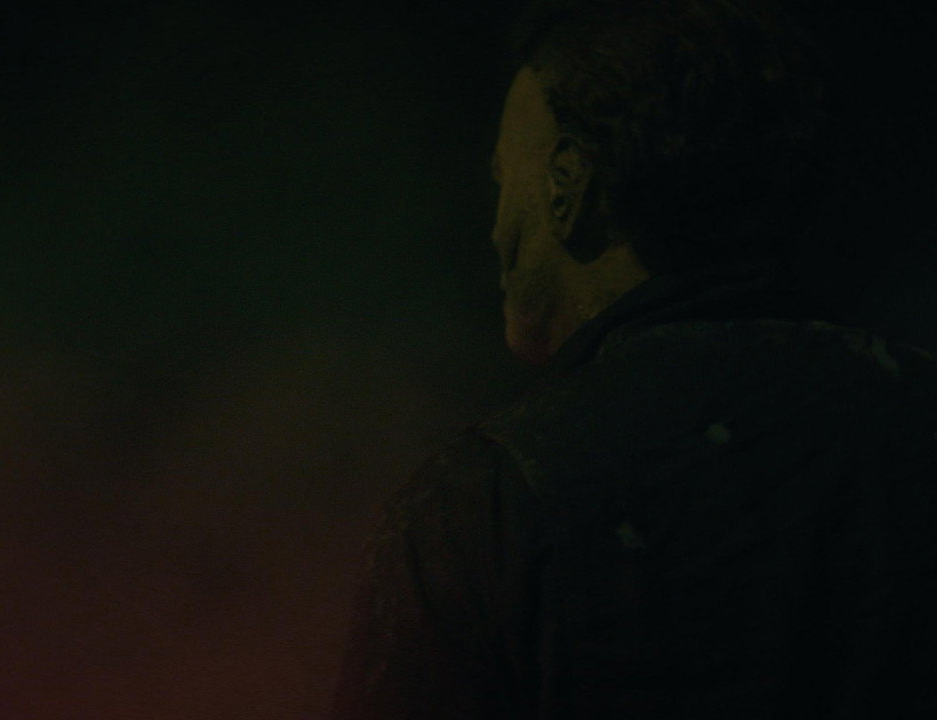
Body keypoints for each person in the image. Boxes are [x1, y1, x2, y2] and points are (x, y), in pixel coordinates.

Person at [329, 0, 937, 717]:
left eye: (502, 180)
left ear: (567, 183)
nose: (494, 230)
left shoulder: (486, 506)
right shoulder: (916, 415)